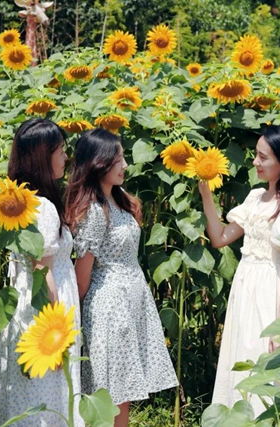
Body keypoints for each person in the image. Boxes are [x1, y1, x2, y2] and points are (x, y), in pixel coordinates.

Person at [198, 125, 280, 415]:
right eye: (255, 155)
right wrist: (206, 195)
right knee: (241, 355)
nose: (255, 162)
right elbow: (221, 238)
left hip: (271, 291)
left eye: (263, 157)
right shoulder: (255, 198)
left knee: (267, 363)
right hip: (245, 286)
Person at [65, 128, 178, 427]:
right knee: (110, 392)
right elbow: (82, 275)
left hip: (131, 299)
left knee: (122, 390)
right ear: (98, 163)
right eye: (118, 159)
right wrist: (70, 321)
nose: (125, 165)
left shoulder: (120, 200)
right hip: (109, 306)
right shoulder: (92, 211)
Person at [0, 118, 84, 427]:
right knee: (48, 395)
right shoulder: (43, 207)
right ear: (42, 157)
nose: (65, 158)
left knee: (29, 392)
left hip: (25, 307)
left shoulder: (18, 202)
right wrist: (55, 334)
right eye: (60, 151)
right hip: (46, 307)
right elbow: (42, 272)